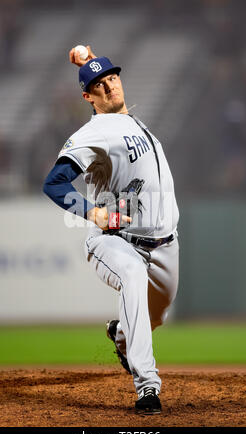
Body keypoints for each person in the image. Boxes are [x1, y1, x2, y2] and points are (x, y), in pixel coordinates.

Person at [43, 46, 179, 415]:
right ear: (88, 97)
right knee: (132, 275)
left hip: (166, 245)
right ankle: (147, 387)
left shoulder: (134, 122)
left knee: (156, 317)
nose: (110, 86)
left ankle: (120, 335)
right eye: (99, 84)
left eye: (113, 78)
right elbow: (54, 184)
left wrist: (88, 59)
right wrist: (94, 213)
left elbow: (99, 71)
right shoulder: (94, 131)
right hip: (115, 243)